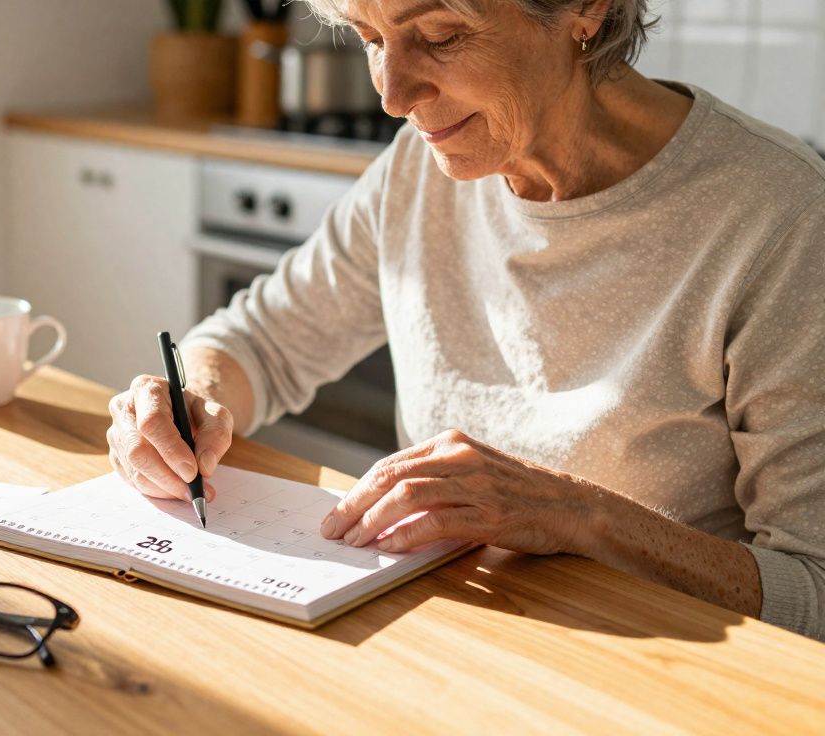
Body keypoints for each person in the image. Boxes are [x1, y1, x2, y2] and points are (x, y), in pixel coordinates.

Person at [104, 0, 825, 641]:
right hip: (449, 649)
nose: (390, 95)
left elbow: (814, 591)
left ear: (585, 9)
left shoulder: (784, 218)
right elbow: (257, 344)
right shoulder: (419, 166)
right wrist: (189, 401)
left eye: (441, 34)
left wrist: (577, 515)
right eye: (369, 36)